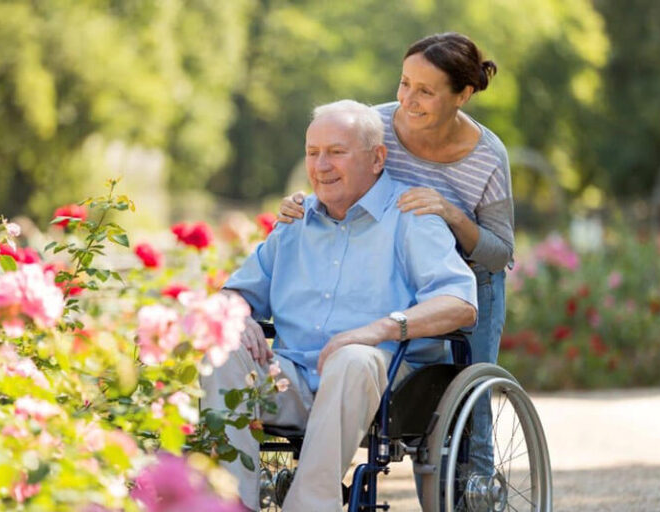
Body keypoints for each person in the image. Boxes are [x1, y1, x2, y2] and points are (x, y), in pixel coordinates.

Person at [201, 99, 477, 512]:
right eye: (313, 153)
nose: (321, 165)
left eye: (337, 152)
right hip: (290, 381)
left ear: (377, 158)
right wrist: (236, 315)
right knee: (219, 347)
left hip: (381, 388)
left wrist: (378, 329)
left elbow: (460, 302)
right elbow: (234, 292)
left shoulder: (410, 217)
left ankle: (310, 506)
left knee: (353, 358)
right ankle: (228, 505)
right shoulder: (294, 223)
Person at [277, 32, 512, 478]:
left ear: (462, 95)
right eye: (404, 83)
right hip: (388, 269)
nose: (408, 99)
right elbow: (334, 174)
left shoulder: (488, 157)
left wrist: (450, 214)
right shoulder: (376, 125)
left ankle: (478, 496)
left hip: (469, 279)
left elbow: (501, 253)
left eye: (425, 90)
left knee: (471, 410)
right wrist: (303, 202)